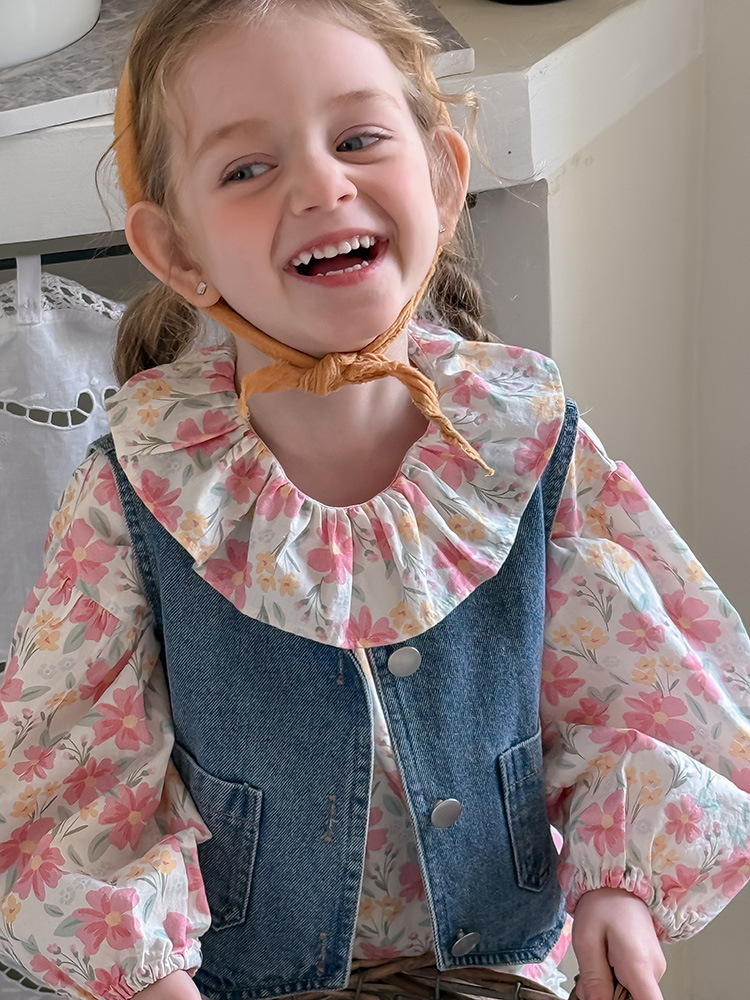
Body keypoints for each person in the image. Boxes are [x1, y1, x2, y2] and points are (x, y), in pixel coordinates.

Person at [0, 2, 749, 1000]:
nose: (321, 184)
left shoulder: (528, 445)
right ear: (177, 251)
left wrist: (620, 890)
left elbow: (631, 702)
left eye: (357, 139)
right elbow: (77, 781)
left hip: (502, 976)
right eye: (247, 168)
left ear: (439, 173)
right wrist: (147, 977)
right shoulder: (139, 485)